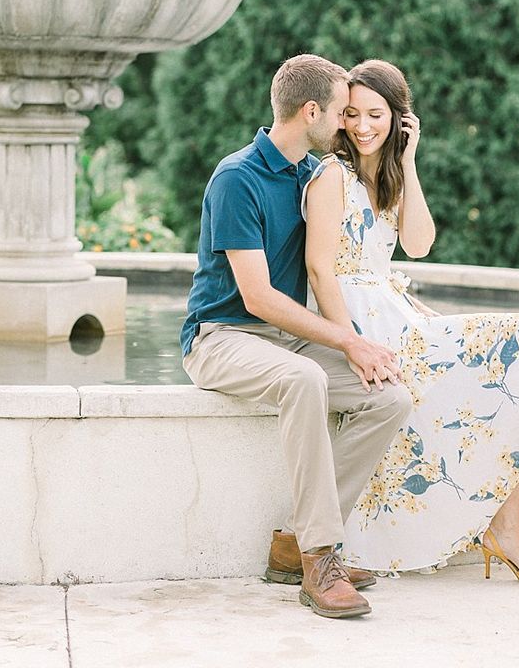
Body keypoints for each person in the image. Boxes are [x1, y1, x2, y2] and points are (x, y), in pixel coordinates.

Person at [303, 58, 519, 583]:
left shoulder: (387, 175)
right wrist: (349, 344)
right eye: (352, 115)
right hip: (362, 326)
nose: (362, 126)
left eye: (376, 115)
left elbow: (419, 245)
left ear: (399, 118)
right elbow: (318, 267)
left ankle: (513, 529)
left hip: (396, 315)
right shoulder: (331, 175)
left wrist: (410, 159)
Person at [180, 54, 413, 619]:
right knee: (306, 377)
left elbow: (337, 259)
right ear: (311, 111)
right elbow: (256, 298)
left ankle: (292, 544)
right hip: (220, 337)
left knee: (390, 397)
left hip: (279, 341)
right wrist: (346, 340)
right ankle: (319, 558)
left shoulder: (311, 174)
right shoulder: (237, 177)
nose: (346, 125)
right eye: (339, 112)